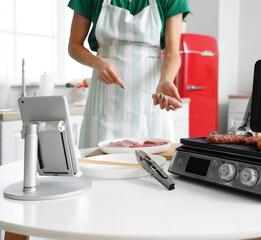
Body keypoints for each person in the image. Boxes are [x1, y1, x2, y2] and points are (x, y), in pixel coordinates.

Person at [67, 0, 190, 148]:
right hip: (104, 101)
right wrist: (99, 63)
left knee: (153, 164)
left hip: (150, 99)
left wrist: (166, 80)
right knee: (100, 163)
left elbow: (172, 53)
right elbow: (74, 45)